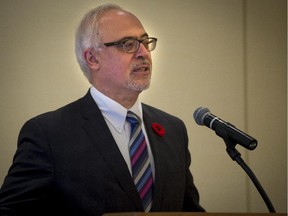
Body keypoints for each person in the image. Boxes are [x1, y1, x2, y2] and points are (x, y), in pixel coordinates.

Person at [0, 3, 205, 216]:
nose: (143, 52)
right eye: (128, 44)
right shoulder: (48, 134)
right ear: (92, 58)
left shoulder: (173, 129)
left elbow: (189, 210)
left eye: (145, 41)